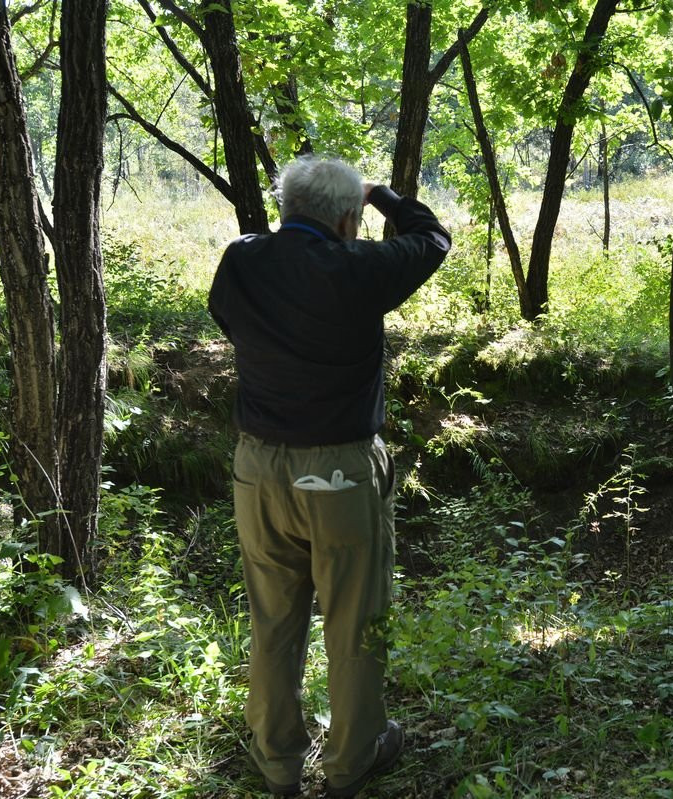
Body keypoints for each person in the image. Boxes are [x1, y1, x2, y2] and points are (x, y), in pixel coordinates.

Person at [208, 156, 451, 797]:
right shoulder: (357, 269)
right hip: (339, 470)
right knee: (354, 620)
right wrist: (383, 196)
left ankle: (276, 761)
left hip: (258, 468)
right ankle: (351, 762)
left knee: (274, 618)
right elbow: (431, 239)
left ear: (285, 208)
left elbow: (228, 319)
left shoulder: (241, 260)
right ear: (348, 220)